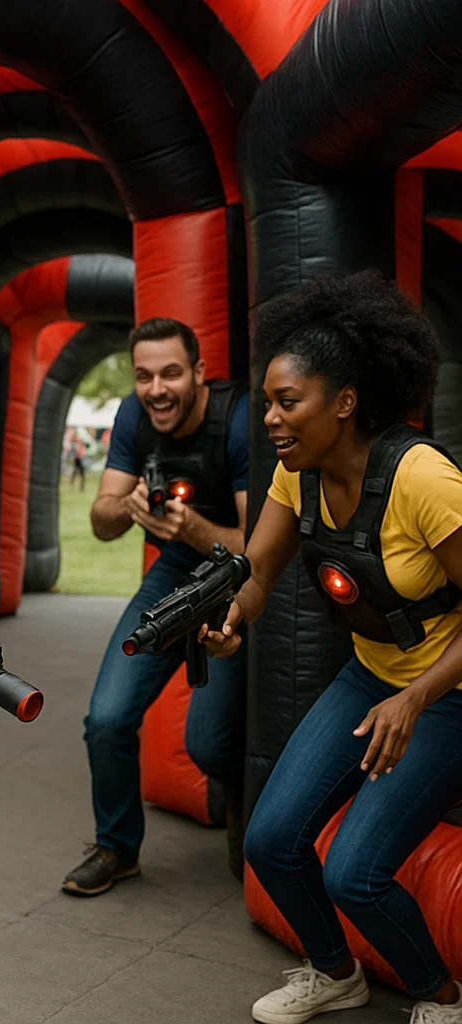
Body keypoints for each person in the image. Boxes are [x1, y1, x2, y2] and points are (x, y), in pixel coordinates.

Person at [201, 271, 462, 1024]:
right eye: (270, 402)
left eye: (289, 402)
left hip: (447, 695)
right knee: (273, 838)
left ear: (344, 403)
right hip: (370, 680)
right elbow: (258, 573)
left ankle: (440, 995)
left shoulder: (424, 480)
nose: (272, 419)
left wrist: (416, 697)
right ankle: (335, 971)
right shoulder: (296, 475)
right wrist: (232, 619)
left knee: (356, 873)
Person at [62, 317, 249, 896]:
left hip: (241, 579)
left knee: (209, 744)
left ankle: (247, 816)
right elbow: (101, 519)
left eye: (170, 373)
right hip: (174, 570)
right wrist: (133, 508)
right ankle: (118, 848)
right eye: (144, 376)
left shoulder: (237, 420)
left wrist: (192, 527)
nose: (156, 389)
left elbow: (258, 545)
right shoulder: (133, 415)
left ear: (197, 373)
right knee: (107, 719)